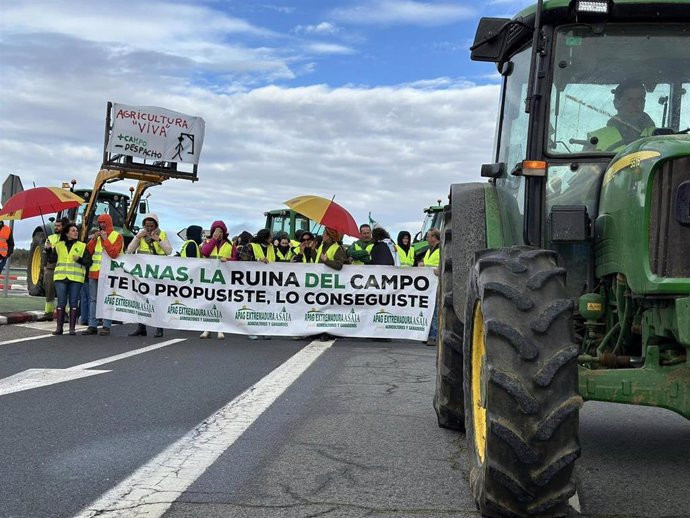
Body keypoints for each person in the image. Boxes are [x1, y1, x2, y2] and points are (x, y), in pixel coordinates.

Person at [127, 213, 171, 338]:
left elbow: (169, 251)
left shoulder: (162, 234)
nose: (149, 228)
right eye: (147, 226)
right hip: (143, 273)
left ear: (156, 225)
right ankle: (141, 327)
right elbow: (129, 250)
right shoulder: (141, 235)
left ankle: (159, 328)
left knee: (157, 300)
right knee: (141, 299)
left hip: (157, 274)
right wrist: (137, 237)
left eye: (151, 226)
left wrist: (159, 240)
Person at [47, 222, 92, 335]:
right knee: (61, 302)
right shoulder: (58, 245)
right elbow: (52, 260)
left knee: (73, 302)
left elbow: (89, 262)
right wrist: (48, 250)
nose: (76, 232)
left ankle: (72, 329)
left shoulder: (82, 246)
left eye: (76, 231)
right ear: (67, 233)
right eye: (73, 231)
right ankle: (59, 328)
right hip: (60, 277)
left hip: (76, 278)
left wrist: (80, 259)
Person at [82, 214, 124, 336]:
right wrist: (94, 239)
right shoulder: (98, 237)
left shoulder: (117, 236)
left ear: (109, 223)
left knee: (107, 300)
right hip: (94, 272)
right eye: (100, 223)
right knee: (93, 300)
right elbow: (88, 251)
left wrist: (105, 240)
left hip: (109, 274)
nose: (101, 225)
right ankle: (92, 325)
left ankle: (106, 326)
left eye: (103, 222)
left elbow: (114, 254)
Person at [587, 81, 656, 153]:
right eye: (629, 100)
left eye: (640, 100)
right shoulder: (595, 140)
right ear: (616, 103)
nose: (636, 104)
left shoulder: (660, 137)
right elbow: (585, 163)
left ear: (644, 102)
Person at [42, 218, 69, 320]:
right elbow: (44, 253)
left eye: (58, 226)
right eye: (55, 225)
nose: (56, 227)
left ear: (63, 227)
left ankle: (64, 314)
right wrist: (44, 266)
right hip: (50, 268)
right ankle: (48, 313)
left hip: (62, 267)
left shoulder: (67, 238)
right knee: (49, 291)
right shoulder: (50, 238)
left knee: (63, 292)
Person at [418, 228, 440, 346]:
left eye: (428, 237)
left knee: (435, 311)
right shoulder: (429, 250)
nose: (427, 239)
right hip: (429, 286)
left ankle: (433, 335)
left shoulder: (441, 250)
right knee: (430, 310)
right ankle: (428, 334)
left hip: (437, 284)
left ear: (434, 238)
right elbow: (427, 263)